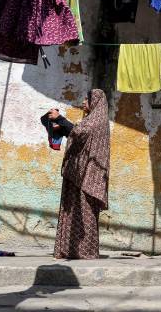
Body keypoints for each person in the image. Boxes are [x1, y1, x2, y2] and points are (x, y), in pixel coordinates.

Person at [51, 89, 110, 259]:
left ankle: (86, 251)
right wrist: (61, 129)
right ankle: (69, 249)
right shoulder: (90, 120)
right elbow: (77, 134)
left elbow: (80, 132)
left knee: (85, 212)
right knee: (72, 210)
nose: (84, 101)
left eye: (87, 99)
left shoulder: (97, 121)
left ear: (96, 102)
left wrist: (60, 119)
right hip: (79, 172)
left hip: (89, 176)